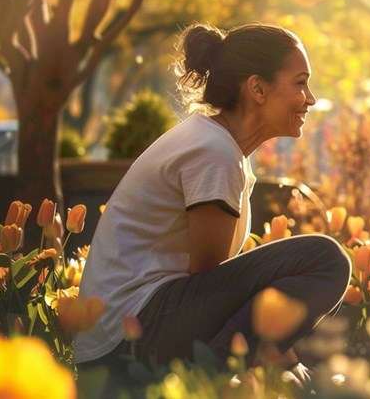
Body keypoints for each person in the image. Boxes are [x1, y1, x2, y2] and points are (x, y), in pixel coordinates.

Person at [75, 23, 351, 387]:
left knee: (307, 276)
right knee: (325, 259)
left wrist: (285, 351)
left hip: (131, 331)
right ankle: (213, 376)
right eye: (300, 82)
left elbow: (219, 288)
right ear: (258, 89)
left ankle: (247, 372)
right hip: (128, 336)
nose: (310, 98)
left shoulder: (219, 147)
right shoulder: (213, 151)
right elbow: (207, 274)